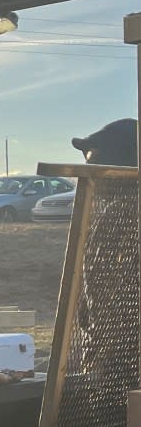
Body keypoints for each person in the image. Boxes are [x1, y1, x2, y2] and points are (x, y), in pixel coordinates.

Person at [72, 118, 138, 385]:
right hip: (108, 358)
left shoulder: (122, 215)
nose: (90, 178)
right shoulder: (109, 215)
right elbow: (92, 293)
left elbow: (109, 299)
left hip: (122, 365)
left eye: (95, 167)